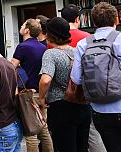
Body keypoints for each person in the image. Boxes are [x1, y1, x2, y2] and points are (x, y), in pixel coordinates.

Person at [71, 2, 121, 152]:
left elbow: (76, 79)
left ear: (93, 22)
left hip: (100, 110)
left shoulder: (83, 44)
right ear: (117, 19)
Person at [38, 17, 91, 152]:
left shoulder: (50, 54)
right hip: (82, 104)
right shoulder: (76, 51)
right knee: (82, 147)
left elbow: (45, 80)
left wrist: (42, 98)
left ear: (49, 35)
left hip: (60, 106)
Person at [60, 4, 105, 152]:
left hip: (64, 94)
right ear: (78, 19)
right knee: (91, 132)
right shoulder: (87, 38)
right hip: (87, 91)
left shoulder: (56, 40)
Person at [11, 19, 53, 152]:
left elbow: (11, 67)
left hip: (27, 94)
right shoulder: (43, 47)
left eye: (23, 25)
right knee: (43, 129)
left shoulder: (22, 47)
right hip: (41, 92)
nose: (21, 26)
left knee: (30, 132)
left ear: (27, 30)